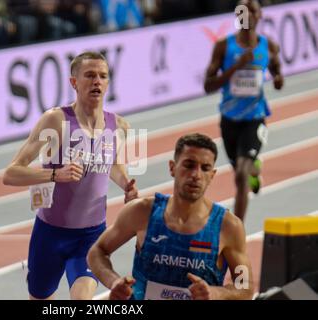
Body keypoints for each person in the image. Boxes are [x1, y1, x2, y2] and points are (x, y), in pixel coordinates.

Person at [3, 51, 138, 300]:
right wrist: (55, 174)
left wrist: (126, 185)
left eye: (102, 76)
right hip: (50, 233)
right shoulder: (56, 120)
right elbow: (11, 173)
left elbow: (114, 165)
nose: (97, 81)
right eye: (89, 75)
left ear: (108, 83)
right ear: (74, 82)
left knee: (82, 299)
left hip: (91, 234)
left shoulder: (118, 125)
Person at [87, 133, 254, 300]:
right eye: (189, 165)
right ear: (173, 167)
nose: (196, 175)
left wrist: (215, 293)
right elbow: (97, 252)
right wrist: (114, 282)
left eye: (205, 168)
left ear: (212, 175)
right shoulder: (142, 212)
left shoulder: (228, 226)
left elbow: (245, 287)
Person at [203, 0, 284, 221]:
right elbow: (208, 86)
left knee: (240, 176)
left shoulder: (268, 46)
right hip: (229, 120)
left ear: (260, 15)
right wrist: (236, 67)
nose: (248, 17)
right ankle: (254, 170)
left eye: (252, 12)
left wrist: (277, 79)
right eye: (243, 13)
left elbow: (277, 74)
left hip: (255, 118)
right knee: (241, 171)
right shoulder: (223, 47)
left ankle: (237, 230)